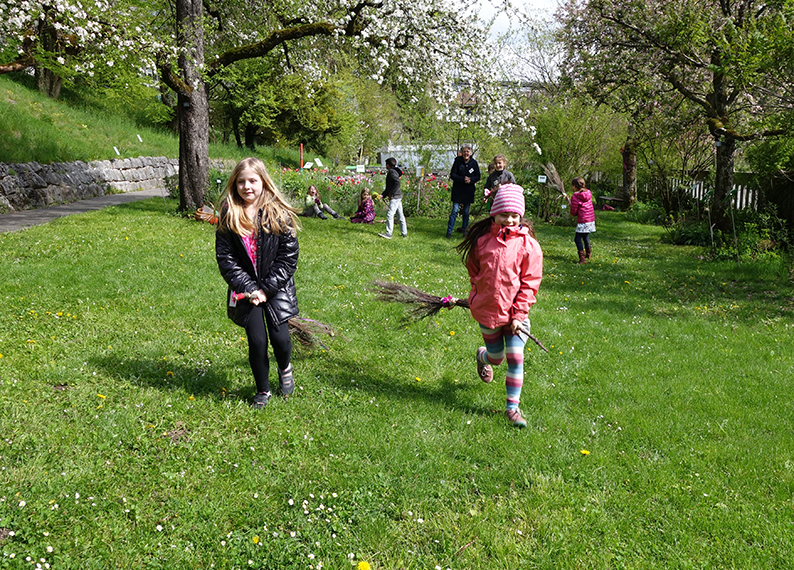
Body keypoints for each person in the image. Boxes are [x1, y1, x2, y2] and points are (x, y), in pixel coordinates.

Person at [215, 157, 302, 409]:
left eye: (253, 180)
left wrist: (266, 289)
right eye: (241, 182)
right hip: (246, 291)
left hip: (276, 287)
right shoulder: (229, 213)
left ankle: (285, 368)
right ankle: (262, 390)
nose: (247, 187)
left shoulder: (278, 213)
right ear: (234, 184)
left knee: (281, 339)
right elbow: (226, 259)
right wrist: (249, 289)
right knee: (257, 341)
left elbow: (288, 258)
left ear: (263, 181)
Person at [455, 183, 543, 428]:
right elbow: (474, 270)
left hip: (516, 317)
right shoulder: (482, 241)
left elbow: (530, 282)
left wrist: (519, 314)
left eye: (515, 215)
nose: (510, 220)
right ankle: (482, 357)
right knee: (496, 358)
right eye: (505, 214)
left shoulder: (528, 246)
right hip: (488, 312)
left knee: (516, 357)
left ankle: (512, 409)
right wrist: (478, 294)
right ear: (495, 213)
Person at [447, 144, 481, 238]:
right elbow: (452, 174)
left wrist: (471, 180)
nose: (466, 153)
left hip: (468, 191)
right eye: (464, 151)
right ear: (462, 152)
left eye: (468, 151)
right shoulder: (457, 161)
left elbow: (478, 176)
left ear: (470, 153)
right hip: (458, 190)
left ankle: (465, 230)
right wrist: (462, 179)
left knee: (466, 212)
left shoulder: (474, 163)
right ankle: (449, 231)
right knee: (454, 210)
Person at [378, 157, 408, 239]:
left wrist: (391, 194)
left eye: (386, 165)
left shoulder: (391, 172)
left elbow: (397, 183)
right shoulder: (395, 171)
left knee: (390, 215)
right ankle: (404, 233)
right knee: (400, 215)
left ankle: (388, 233)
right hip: (398, 196)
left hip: (395, 197)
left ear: (388, 165)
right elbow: (389, 186)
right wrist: (383, 195)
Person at [569, 176, 595, 263]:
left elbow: (574, 211)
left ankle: (582, 258)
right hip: (590, 220)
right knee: (585, 236)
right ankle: (588, 253)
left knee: (577, 239)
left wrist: (571, 207)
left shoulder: (575, 196)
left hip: (583, 220)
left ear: (575, 186)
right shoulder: (588, 193)